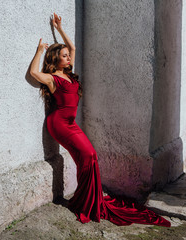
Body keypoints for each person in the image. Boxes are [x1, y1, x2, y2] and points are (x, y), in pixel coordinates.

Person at [29, 13, 170, 227]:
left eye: (68, 56)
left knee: (90, 156)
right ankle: (86, 201)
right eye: (64, 56)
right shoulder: (52, 78)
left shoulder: (69, 74)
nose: (68, 58)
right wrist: (40, 51)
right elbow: (33, 73)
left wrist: (59, 29)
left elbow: (73, 48)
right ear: (56, 59)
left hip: (71, 124)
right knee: (87, 155)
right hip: (58, 124)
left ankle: (88, 198)